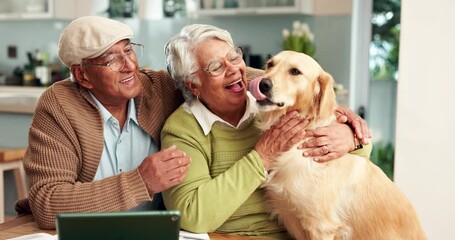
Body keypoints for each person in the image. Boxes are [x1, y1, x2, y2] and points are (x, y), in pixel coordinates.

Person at [161, 24, 372, 239]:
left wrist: (353, 138)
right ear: (194, 85)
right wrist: (262, 157)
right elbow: (191, 215)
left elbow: (346, 157)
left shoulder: (274, 102)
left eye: (234, 57)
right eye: (216, 67)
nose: (233, 69)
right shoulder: (183, 130)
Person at [14, 16, 193, 230]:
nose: (129, 66)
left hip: (153, 232)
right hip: (87, 233)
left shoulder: (158, 88)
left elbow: (217, 76)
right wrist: (140, 182)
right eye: (111, 60)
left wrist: (243, 80)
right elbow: (48, 203)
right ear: (82, 75)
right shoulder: (59, 105)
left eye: (128, 50)